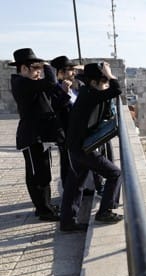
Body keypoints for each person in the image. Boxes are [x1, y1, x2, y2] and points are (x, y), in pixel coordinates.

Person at [60, 62, 123, 232]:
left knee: (75, 184)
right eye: (104, 81)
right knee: (115, 173)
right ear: (94, 82)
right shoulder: (91, 94)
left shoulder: (87, 92)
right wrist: (110, 74)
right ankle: (105, 211)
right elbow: (117, 89)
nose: (106, 84)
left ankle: (67, 222)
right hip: (81, 148)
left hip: (76, 146)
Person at [9, 48, 67, 221]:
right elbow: (50, 81)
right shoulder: (21, 82)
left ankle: (45, 205)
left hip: (41, 135)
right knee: (37, 175)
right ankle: (43, 210)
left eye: (39, 68)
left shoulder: (32, 84)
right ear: (23, 69)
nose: (38, 72)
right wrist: (48, 65)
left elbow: (51, 96)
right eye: (35, 68)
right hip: (32, 135)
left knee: (44, 172)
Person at [49, 55, 80, 185]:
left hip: (76, 132)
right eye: (70, 70)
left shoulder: (74, 87)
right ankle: (68, 190)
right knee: (67, 163)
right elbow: (55, 108)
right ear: (60, 72)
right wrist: (63, 92)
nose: (73, 73)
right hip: (65, 133)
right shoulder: (55, 88)